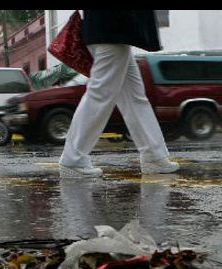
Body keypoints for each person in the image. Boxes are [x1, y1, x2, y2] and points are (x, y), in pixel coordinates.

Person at [59, 10, 180, 178]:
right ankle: (73, 159)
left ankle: (154, 156)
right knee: (101, 94)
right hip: (113, 29)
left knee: (134, 97)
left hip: (108, 29)